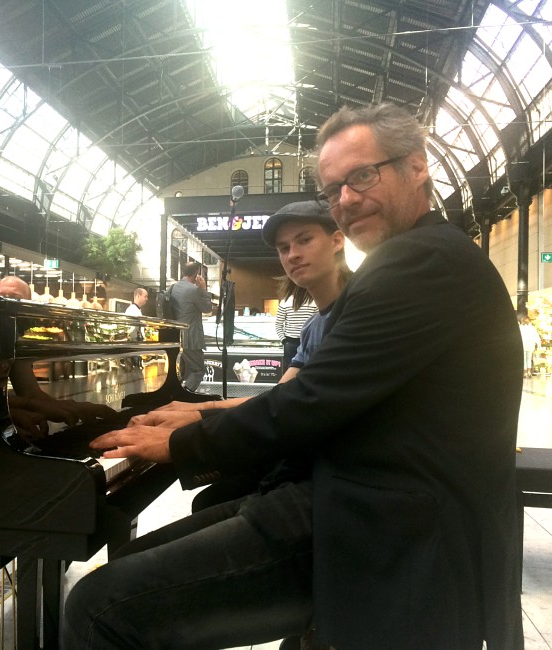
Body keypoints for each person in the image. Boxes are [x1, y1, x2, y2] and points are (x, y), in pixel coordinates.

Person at [63, 103, 524, 650]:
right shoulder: (417, 258)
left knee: (98, 607)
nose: (347, 200)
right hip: (356, 499)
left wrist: (185, 441)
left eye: (362, 176)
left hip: (385, 526)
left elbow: (307, 402)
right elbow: (319, 399)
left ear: (417, 167)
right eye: (334, 190)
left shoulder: (423, 262)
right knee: (133, 572)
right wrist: (199, 418)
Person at [157, 200, 353, 512]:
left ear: (337, 240)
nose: (293, 254)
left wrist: (198, 418)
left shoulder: (359, 313)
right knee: (208, 500)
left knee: (209, 504)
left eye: (305, 240)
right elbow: (282, 396)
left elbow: (294, 409)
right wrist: (200, 409)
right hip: (306, 458)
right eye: (283, 247)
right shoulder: (314, 326)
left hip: (333, 476)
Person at [0, 275, 117, 440]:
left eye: (15, 299)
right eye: (0, 297)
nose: (5, 304)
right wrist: (17, 410)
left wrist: (69, 406)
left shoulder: (13, 336)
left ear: (28, 310)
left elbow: (30, 392)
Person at [169, 261, 213, 392]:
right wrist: (203, 289)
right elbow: (207, 308)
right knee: (198, 370)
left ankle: (177, 395)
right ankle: (184, 394)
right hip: (191, 338)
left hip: (176, 336)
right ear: (196, 274)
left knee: (182, 371)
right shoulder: (194, 290)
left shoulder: (172, 288)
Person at [275, 289, 318, 373]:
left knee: (289, 370)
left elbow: (278, 324)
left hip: (291, 342)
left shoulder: (285, 302)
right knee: (308, 370)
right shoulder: (313, 301)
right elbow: (317, 323)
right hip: (305, 341)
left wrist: (284, 341)